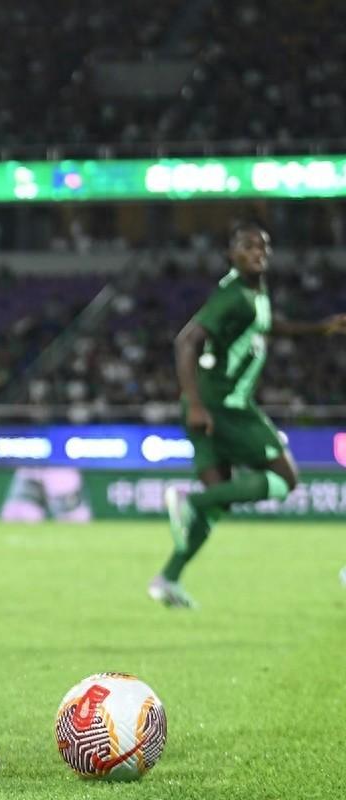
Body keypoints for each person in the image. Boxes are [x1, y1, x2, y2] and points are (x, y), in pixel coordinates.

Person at [149, 223, 346, 608]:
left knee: (218, 501)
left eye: (263, 246)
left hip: (209, 404)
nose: (258, 252)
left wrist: (319, 328)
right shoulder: (233, 296)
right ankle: (190, 503)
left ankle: (168, 578)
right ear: (231, 255)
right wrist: (197, 402)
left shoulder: (255, 293)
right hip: (223, 405)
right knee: (285, 478)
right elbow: (186, 341)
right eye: (248, 246)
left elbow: (269, 326)